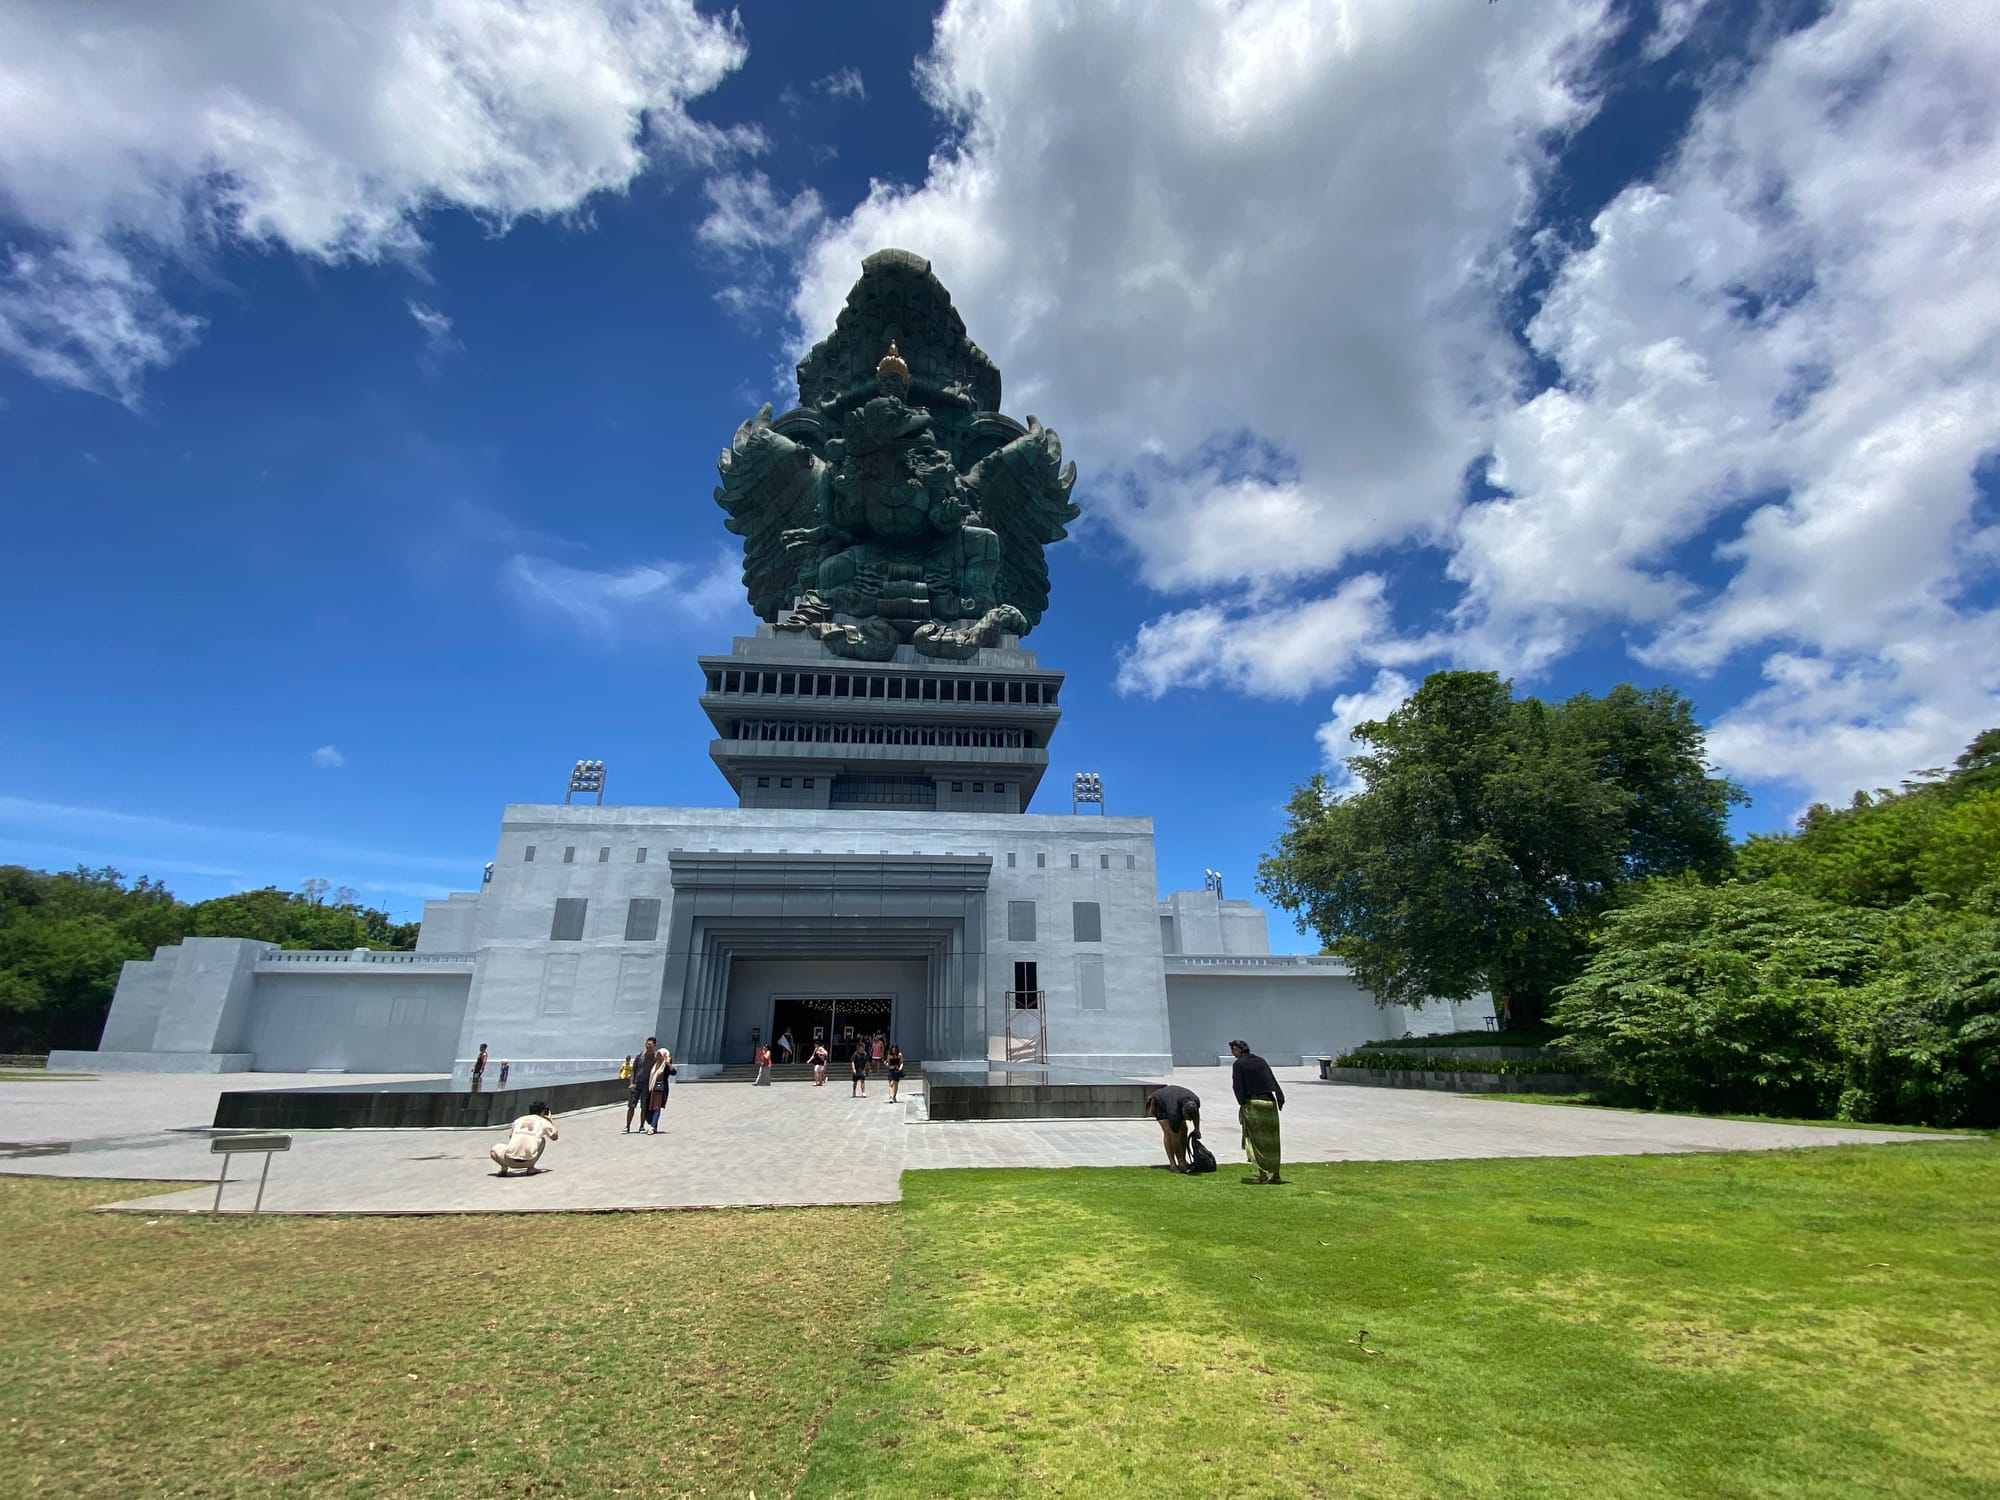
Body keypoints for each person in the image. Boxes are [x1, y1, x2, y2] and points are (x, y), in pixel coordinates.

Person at [1229, 1039, 1286, 1184]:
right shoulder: (1261, 1061)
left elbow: (1238, 1086)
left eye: (1232, 1050)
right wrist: (1279, 1097)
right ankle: (1276, 1174)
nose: (1232, 1053)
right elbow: (1272, 1080)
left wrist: (1242, 1103)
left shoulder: (1238, 1064)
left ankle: (1262, 1175)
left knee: (1255, 1140)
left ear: (1237, 1049)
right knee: (1272, 1139)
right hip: (1270, 1102)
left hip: (1254, 1103)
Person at [489, 1101, 558, 1176]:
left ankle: (504, 1167)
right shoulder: (544, 1122)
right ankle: (531, 1168)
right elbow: (555, 1137)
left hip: (509, 1160)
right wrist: (551, 1120)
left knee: (494, 1150)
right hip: (529, 1161)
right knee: (542, 1140)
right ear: (543, 1111)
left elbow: (511, 1137)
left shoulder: (518, 1120)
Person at [1145, 1083, 1202, 1171]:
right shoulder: (1173, 1111)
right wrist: (1180, 1160)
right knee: (1169, 1133)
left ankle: (1183, 1160)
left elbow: (1196, 1114)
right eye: (1187, 1118)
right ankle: (1173, 1163)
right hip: (1160, 1102)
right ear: (1183, 1111)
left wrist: (1197, 1129)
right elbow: (1175, 1137)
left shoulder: (1195, 1101)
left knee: (1184, 1129)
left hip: (1173, 1097)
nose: (1188, 1119)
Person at [626, 1037, 659, 1133]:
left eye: (650, 1045)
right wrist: (631, 1083)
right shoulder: (639, 1055)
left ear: (654, 1045)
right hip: (637, 1083)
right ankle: (627, 1126)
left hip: (647, 1084)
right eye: (647, 1044)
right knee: (631, 1105)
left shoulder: (655, 1057)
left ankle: (641, 1126)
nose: (648, 1046)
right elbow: (633, 1070)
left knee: (644, 1106)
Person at [645, 1048, 677, 1133]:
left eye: (660, 1055)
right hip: (652, 1088)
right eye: (657, 1055)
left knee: (656, 1107)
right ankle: (654, 1125)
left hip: (660, 1089)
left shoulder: (665, 1065)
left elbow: (673, 1072)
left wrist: (669, 1064)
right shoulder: (655, 1064)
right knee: (649, 1108)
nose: (658, 1057)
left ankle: (652, 1127)